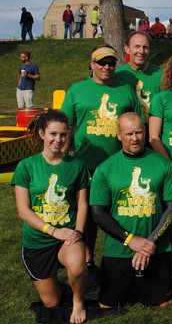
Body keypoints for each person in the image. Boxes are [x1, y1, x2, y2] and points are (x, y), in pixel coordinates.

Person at [61, 45, 142, 273]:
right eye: (101, 62)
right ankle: (87, 260)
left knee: (122, 212)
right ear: (92, 64)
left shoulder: (125, 90)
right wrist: (63, 159)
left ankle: (125, 258)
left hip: (120, 165)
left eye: (111, 63)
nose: (107, 67)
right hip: (86, 164)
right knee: (87, 215)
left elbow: (138, 124)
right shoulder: (77, 90)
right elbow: (65, 126)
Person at [90, 113, 172, 310]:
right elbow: (98, 213)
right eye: (129, 134)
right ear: (118, 135)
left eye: (139, 132)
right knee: (107, 305)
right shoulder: (105, 169)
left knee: (165, 303)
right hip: (119, 247)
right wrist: (131, 240)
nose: (135, 138)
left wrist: (150, 242)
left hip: (156, 246)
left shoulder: (164, 164)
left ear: (145, 132)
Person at [12, 110, 90, 324]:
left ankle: (78, 300)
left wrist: (78, 232)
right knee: (51, 301)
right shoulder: (26, 166)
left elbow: (82, 204)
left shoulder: (77, 166)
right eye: (53, 134)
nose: (58, 139)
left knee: (77, 264)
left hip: (68, 235)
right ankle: (58, 285)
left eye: (63, 135)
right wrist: (54, 231)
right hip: (38, 240)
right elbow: (23, 210)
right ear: (42, 134)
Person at [114, 31, 163, 117]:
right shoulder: (117, 75)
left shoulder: (160, 75)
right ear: (127, 49)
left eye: (145, 47)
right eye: (137, 46)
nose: (141, 51)